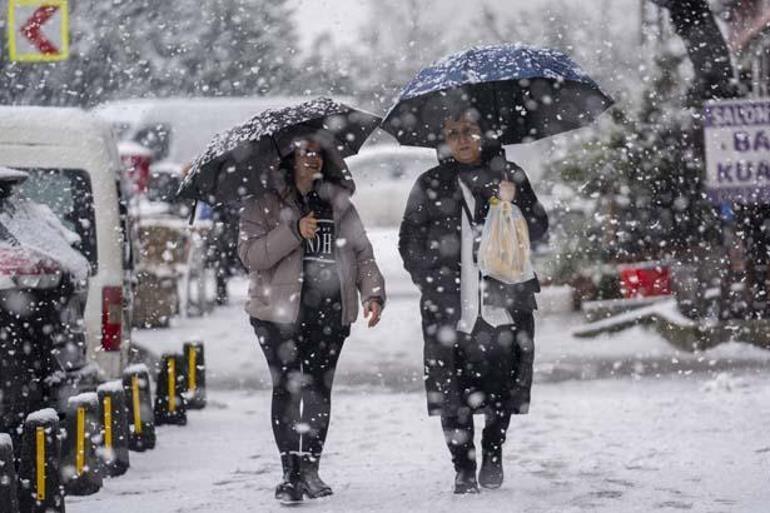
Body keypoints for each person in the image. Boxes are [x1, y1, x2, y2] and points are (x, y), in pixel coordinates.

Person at [398, 107, 548, 494]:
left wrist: (513, 204)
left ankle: (493, 453)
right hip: (450, 306)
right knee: (452, 388)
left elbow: (539, 230)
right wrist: (430, 281)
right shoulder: (430, 182)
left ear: (484, 133)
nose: (462, 139)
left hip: (504, 300)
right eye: (452, 133)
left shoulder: (509, 174)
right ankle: (462, 467)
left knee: (501, 382)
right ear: (444, 140)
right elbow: (409, 240)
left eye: (469, 130)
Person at [238, 136, 386, 504]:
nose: (312, 158)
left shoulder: (338, 204)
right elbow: (251, 257)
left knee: (318, 389)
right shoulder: (262, 205)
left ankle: (311, 469)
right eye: (304, 152)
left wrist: (373, 292)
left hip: (330, 312)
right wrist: (292, 231)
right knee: (287, 388)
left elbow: (362, 252)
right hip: (277, 315)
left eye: (318, 152)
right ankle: (290, 473)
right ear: (288, 159)